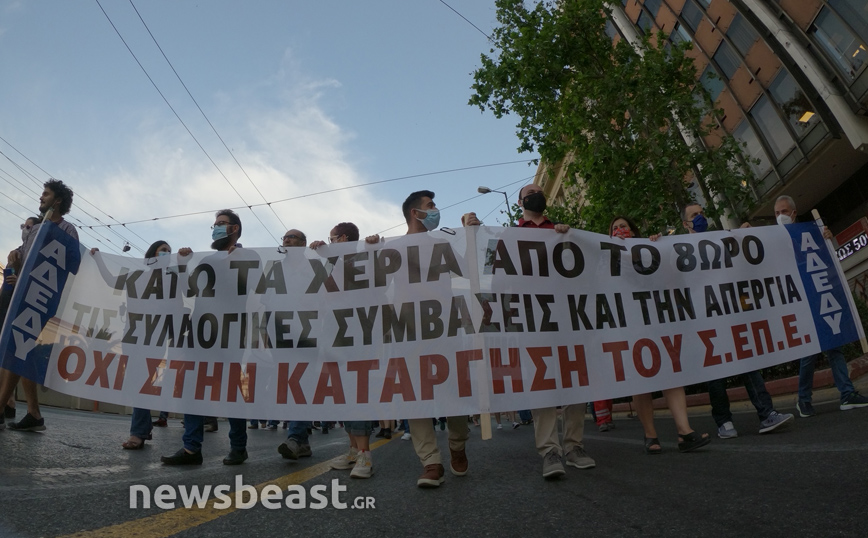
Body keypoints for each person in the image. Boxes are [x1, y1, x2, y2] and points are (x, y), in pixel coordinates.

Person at [682, 202, 794, 438]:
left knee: (748, 362)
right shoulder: (677, 251)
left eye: (702, 213)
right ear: (685, 223)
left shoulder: (719, 239)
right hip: (705, 321)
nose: (700, 217)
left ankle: (767, 414)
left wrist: (744, 236)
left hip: (731, 314)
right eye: (694, 215)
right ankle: (724, 421)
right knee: (716, 373)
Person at [512, 184, 595, 478]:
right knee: (542, 379)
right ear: (520, 202)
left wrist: (569, 239)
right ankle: (549, 450)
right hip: (533, 315)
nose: (537, 194)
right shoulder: (510, 236)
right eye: (531, 192)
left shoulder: (561, 231)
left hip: (567, 312)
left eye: (540, 191)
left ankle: (574, 446)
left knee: (575, 375)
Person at [609, 215, 710, 454]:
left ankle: (684, 431)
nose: (620, 230)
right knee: (641, 379)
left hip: (658, 319)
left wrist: (658, 246)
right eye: (615, 228)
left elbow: (671, 275)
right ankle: (650, 435)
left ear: (633, 231)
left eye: (623, 226)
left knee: (671, 373)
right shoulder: (606, 256)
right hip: (630, 323)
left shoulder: (650, 250)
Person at [392, 191, 471, 487]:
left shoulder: (442, 244)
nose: (436, 210)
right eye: (431, 206)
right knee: (416, 394)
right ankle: (430, 461)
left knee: (454, 389)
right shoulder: (392, 248)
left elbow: (468, 272)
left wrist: (471, 235)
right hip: (408, 330)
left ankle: (457, 443)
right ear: (416, 213)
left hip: (444, 327)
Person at [160, 210, 249, 465]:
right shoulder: (207, 260)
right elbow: (189, 290)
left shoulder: (249, 257)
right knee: (192, 388)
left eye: (221, 224)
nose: (216, 228)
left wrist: (235, 261)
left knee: (230, 391)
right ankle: (191, 448)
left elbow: (256, 286)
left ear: (234, 229)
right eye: (215, 225)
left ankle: (239, 447)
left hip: (230, 333)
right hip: (201, 333)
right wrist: (183, 264)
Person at [772, 195, 868, 416]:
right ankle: (804, 399)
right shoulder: (773, 240)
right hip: (800, 301)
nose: (780, 216)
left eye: (784, 212)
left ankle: (846, 393)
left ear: (793, 213)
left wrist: (827, 238)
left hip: (820, 294)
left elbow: (826, 257)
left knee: (834, 344)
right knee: (810, 350)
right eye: (776, 213)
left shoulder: (811, 233)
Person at [0, 180, 79, 432]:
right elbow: (24, 260)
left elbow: (73, 265)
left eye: (46, 194)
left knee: (17, 347)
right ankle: (34, 414)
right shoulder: (36, 229)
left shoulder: (67, 230)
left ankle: (1, 408)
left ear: (58, 200)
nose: (41, 197)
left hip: (40, 299)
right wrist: (15, 260)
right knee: (21, 349)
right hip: (21, 296)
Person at [1, 215, 43, 422]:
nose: (25, 230)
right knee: (12, 353)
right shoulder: (18, 252)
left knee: (18, 353)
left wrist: (18, 280)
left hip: (24, 306)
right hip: (8, 303)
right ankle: (10, 403)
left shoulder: (41, 253)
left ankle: (11, 405)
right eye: (23, 227)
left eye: (29, 227)